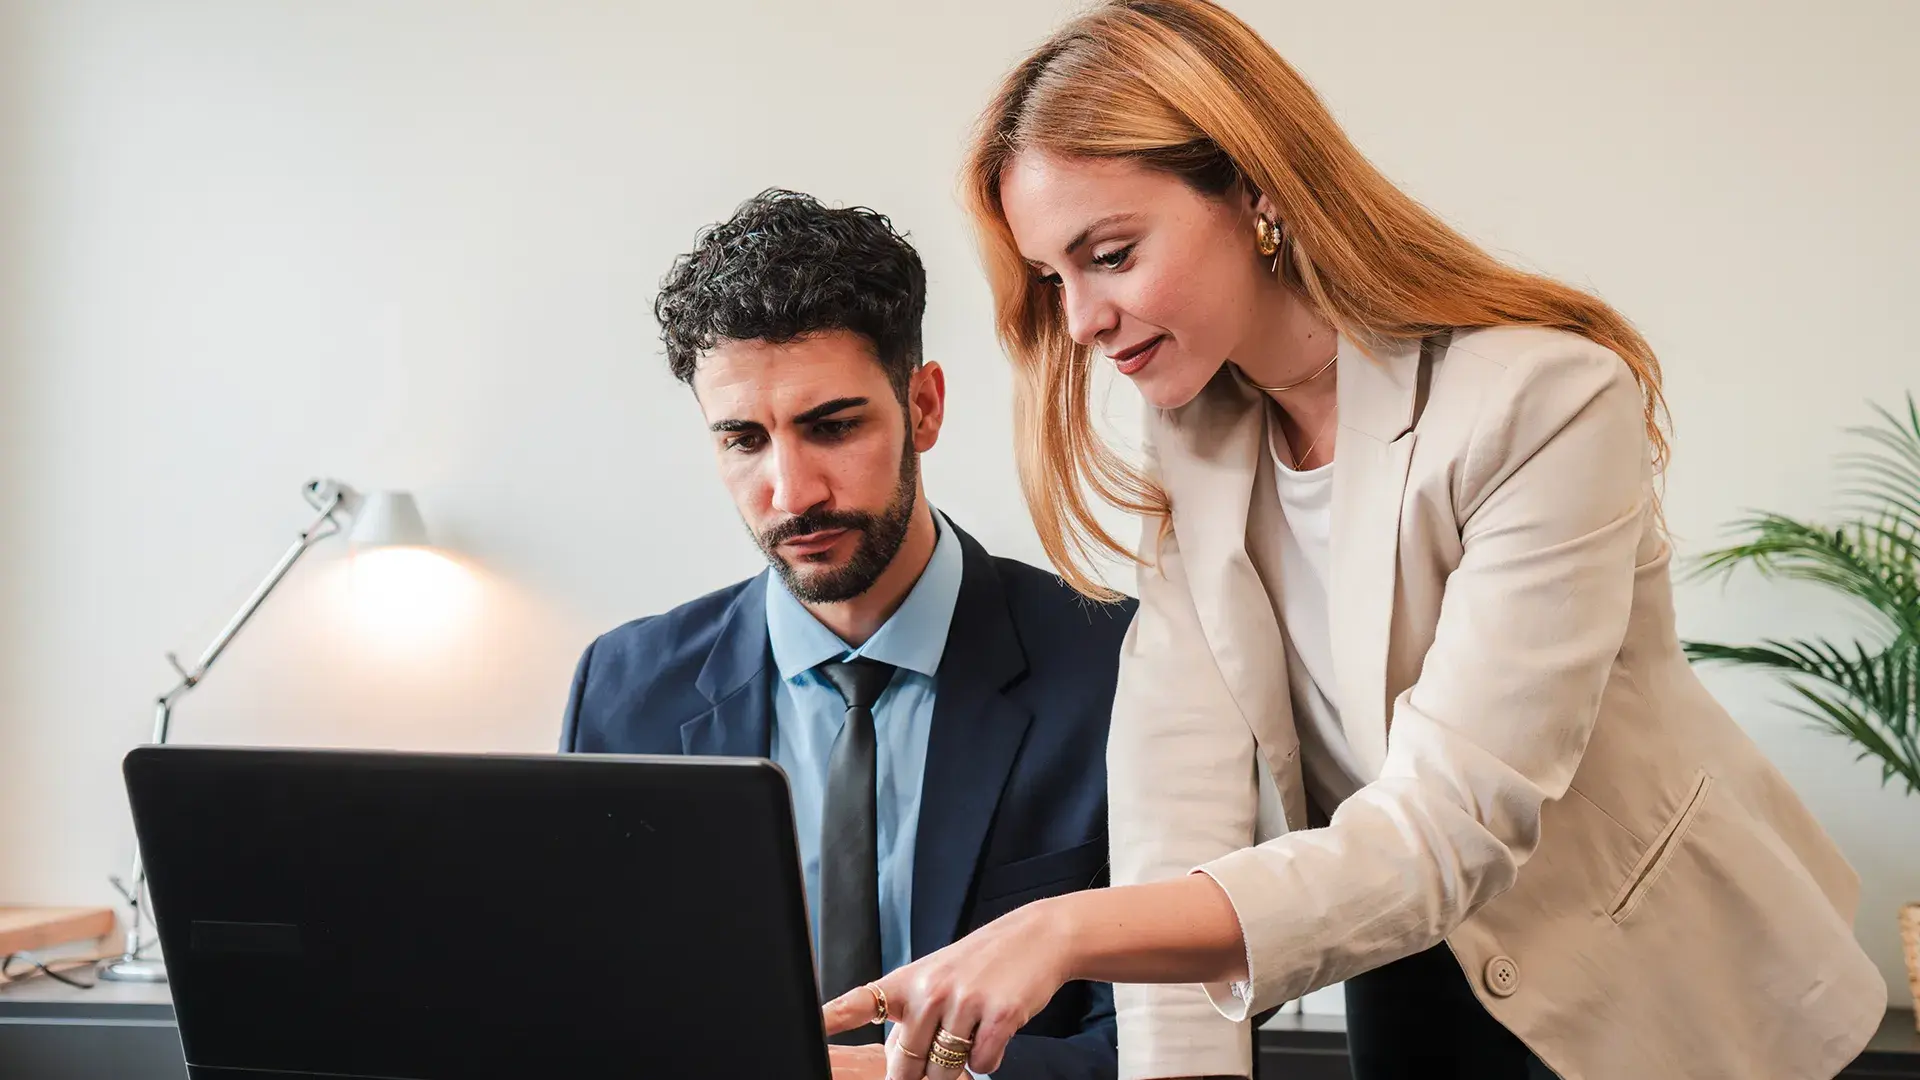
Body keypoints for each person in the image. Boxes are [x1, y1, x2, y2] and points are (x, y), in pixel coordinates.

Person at [821, 4, 1886, 1080]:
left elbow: (1450, 824)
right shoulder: (1194, 443)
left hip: (1673, 999)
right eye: (1056, 277)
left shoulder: (1545, 402)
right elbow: (1173, 812)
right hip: (1411, 970)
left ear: (1257, 192)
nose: (1084, 318)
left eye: (1111, 254)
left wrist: (1060, 930)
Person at [560, 189, 1129, 1080]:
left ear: (926, 407)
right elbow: (590, 1010)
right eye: (744, 440)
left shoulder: (1116, 664)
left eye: (832, 427)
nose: (792, 493)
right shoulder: (625, 687)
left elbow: (1165, 1040)